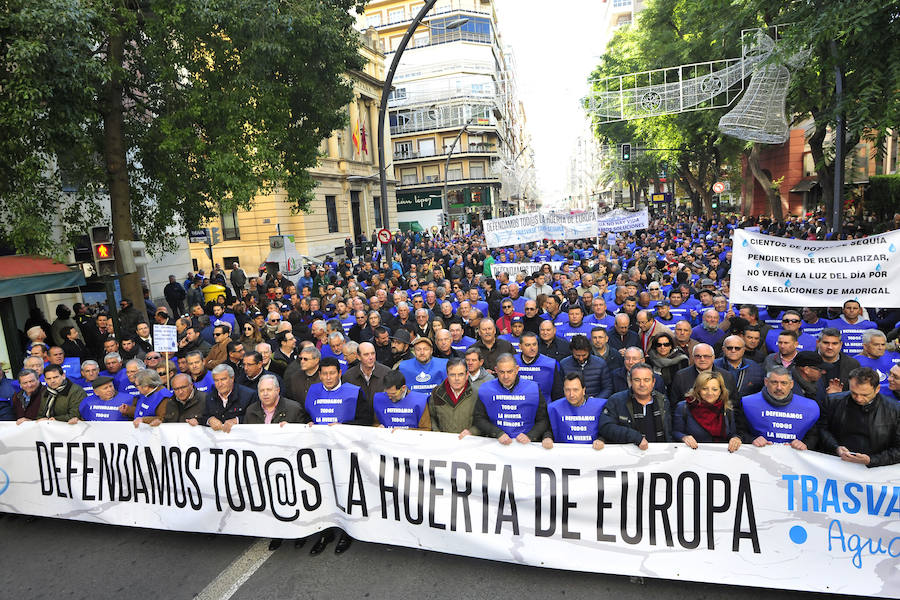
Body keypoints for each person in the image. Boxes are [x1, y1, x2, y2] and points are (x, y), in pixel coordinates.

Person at [300, 356, 370, 556]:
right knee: (322, 493)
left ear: (339, 373)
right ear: (319, 375)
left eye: (332, 373)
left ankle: (348, 532)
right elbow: (306, 415)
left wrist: (343, 428)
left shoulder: (354, 392)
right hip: (319, 452)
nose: (328, 377)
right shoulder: (313, 391)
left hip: (345, 453)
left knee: (345, 492)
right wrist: (309, 423)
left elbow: (365, 421)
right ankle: (326, 532)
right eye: (325, 374)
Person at [818, 367, 900, 467]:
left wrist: (871, 460)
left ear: (877, 389)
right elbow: (822, 429)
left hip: (875, 471)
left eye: (865, 395)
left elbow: (898, 449)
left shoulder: (895, 410)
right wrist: (836, 447)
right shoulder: (832, 401)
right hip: (837, 463)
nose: (859, 399)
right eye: (854, 393)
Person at [735, 366, 819, 450]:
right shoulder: (747, 403)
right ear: (766, 382)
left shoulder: (809, 407)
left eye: (784, 383)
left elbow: (813, 434)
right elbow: (739, 431)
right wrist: (752, 440)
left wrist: (805, 444)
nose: (779, 387)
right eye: (774, 382)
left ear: (791, 384)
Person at [472, 353, 548, 444]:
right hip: (495, 443)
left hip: (526, 444)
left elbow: (543, 420)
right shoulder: (486, 389)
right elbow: (479, 419)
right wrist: (497, 433)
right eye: (502, 372)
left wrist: (530, 435)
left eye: (509, 372)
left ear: (517, 369)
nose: (506, 376)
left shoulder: (533, 388)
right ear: (496, 370)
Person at [599, 362, 673, 447]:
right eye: (637, 380)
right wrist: (635, 437)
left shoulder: (663, 401)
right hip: (627, 455)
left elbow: (669, 432)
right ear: (630, 381)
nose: (642, 384)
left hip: (660, 455)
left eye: (646, 380)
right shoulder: (616, 400)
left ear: (653, 382)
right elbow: (605, 427)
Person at [672, 371, 741, 452]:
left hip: (721, 455)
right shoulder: (684, 407)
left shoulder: (727, 408)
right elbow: (676, 432)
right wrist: (683, 437)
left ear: (721, 391)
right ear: (697, 389)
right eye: (704, 388)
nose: (710, 393)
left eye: (714, 389)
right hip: (693, 455)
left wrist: (736, 438)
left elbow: (732, 433)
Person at [542, 372, 606, 450]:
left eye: (575, 390)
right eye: (567, 390)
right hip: (563, 454)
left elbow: (607, 429)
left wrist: (601, 439)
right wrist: (547, 438)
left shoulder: (600, 406)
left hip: (592, 454)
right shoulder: (554, 408)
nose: (571, 394)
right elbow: (548, 429)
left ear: (583, 390)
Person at [668, 343, 739, 407]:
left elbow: (733, 404)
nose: (702, 359)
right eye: (698, 356)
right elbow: (674, 405)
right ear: (692, 357)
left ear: (713, 357)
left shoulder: (726, 376)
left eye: (706, 356)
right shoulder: (681, 376)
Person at [428, 358, 480, 436]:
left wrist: (472, 432)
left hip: (468, 443)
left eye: (460, 374)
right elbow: (432, 417)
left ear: (467, 375)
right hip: (444, 442)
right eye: (452, 375)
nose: (457, 379)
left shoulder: (477, 393)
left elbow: (483, 420)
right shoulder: (437, 393)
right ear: (447, 375)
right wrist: (437, 433)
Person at [203, 364, 255, 431]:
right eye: (216, 380)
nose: (220, 384)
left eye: (223, 379)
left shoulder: (249, 395)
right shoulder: (209, 396)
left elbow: (255, 418)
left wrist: (237, 420)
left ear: (232, 378)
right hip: (217, 439)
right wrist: (209, 420)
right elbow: (203, 417)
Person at [559, 335, 612, 399]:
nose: (581, 358)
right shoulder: (564, 364)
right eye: (577, 355)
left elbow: (607, 388)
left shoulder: (600, 363)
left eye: (584, 355)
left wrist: (596, 400)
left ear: (589, 351)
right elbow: (560, 389)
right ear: (572, 351)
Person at [515, 331, 563, 400]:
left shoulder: (550, 364)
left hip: (544, 407)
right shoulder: (512, 362)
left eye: (534, 344)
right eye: (528, 345)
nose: (532, 348)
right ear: (520, 346)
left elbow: (558, 393)